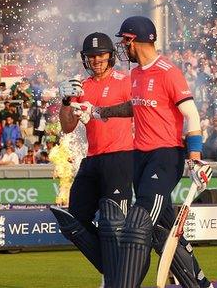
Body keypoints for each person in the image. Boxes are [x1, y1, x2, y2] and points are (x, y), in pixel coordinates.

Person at [86, 17, 213, 288]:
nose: (121, 46)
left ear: (136, 40)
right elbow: (135, 106)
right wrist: (100, 112)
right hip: (140, 158)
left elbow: (191, 114)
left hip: (165, 156)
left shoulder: (168, 72)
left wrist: (195, 158)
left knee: (138, 223)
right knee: (162, 232)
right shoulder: (137, 74)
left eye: (124, 41)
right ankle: (200, 284)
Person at [50, 32, 134, 287]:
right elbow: (66, 127)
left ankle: (115, 278)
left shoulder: (125, 81)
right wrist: (66, 101)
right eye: (91, 56)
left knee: (113, 223)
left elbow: (138, 109)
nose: (96, 60)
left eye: (101, 55)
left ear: (110, 56)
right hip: (93, 159)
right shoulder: (82, 87)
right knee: (75, 219)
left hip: (121, 157)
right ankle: (115, 271)